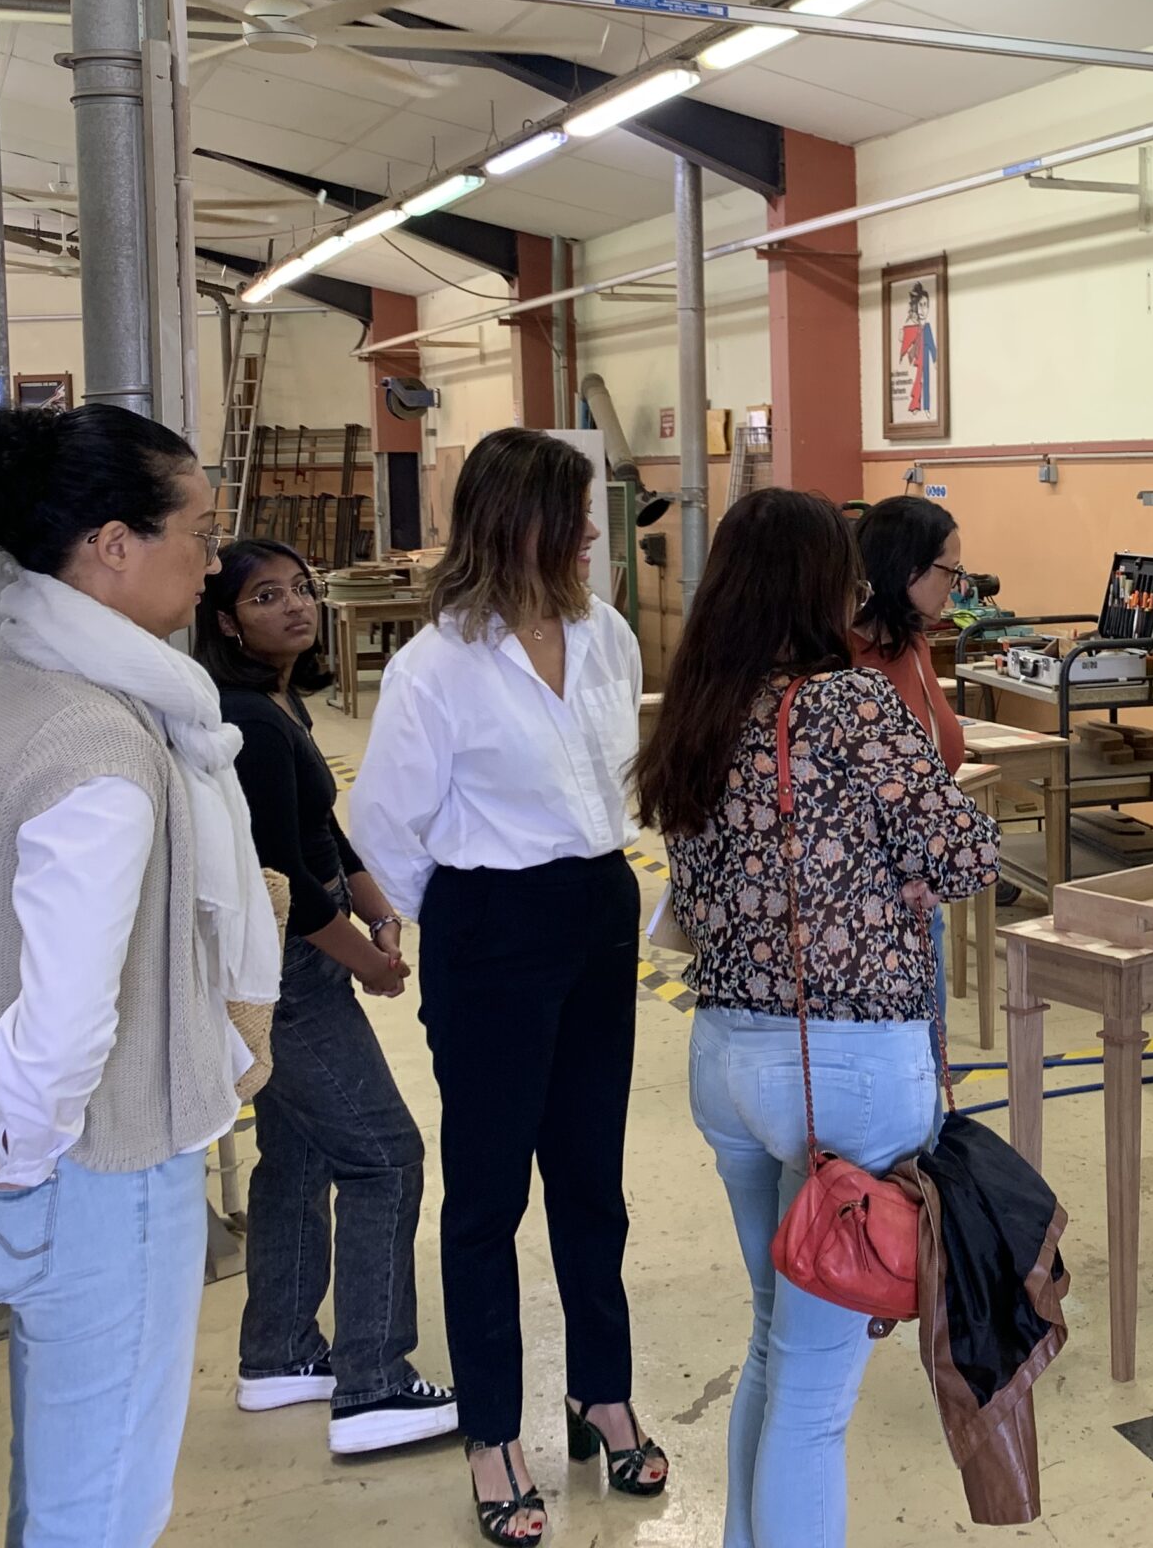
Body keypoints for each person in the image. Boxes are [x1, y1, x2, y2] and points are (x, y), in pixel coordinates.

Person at [0, 403, 276, 1548]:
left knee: (61, 1486)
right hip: (95, 1167)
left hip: (44, 1156)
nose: (212, 560)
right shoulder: (105, 743)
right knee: (104, 1507)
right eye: (200, 532)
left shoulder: (17, 683)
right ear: (114, 544)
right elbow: (67, 1016)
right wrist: (21, 1178)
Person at [637, 488, 1000, 1548]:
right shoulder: (844, 705)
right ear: (815, 583)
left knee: (774, 1344)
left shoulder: (701, 708)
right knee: (814, 1397)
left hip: (729, 1062)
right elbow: (963, 856)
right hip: (838, 1076)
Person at [348, 428, 659, 1545]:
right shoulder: (438, 663)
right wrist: (468, 920)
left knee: (592, 1177)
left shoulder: (605, 635)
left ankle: (601, 1390)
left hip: (596, 911)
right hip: (492, 925)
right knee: (487, 1196)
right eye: (572, 511)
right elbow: (382, 826)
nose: (589, 531)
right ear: (513, 521)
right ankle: (492, 1431)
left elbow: (613, 779)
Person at [193, 540, 457, 1455]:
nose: (296, 607)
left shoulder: (277, 699)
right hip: (289, 974)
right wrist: (368, 960)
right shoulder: (242, 720)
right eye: (267, 597)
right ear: (226, 619)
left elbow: (318, 830)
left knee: (299, 1158)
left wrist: (380, 904)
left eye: (301, 589)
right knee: (385, 1156)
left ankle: (278, 1355)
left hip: (293, 962)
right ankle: (375, 1383)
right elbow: (290, 887)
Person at [850, 495, 967, 774]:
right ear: (907, 568)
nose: (954, 585)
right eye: (950, 571)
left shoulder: (913, 643)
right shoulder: (836, 658)